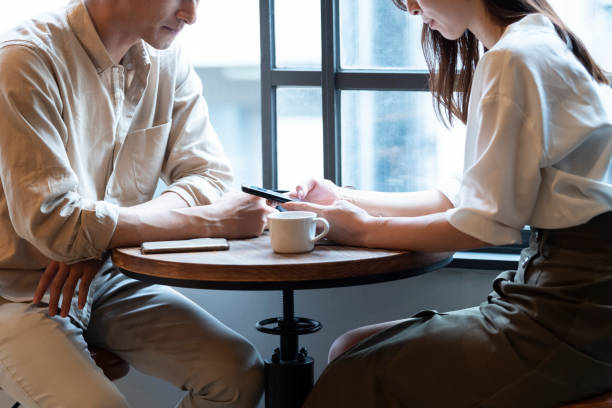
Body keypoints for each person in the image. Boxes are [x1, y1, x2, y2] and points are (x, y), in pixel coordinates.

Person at [282, 0, 612, 407]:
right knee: (350, 348)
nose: (412, 9)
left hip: (571, 314)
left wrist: (363, 228)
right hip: (571, 300)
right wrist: (342, 198)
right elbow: (460, 198)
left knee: (356, 374)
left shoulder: (515, 58)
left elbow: (481, 225)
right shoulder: (534, 40)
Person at [0, 0, 274, 407]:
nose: (191, 14)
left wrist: (99, 239)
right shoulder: (25, 60)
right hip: (15, 292)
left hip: (104, 276)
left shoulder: (167, 58)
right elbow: (56, 225)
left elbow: (211, 178)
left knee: (237, 372)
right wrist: (210, 222)